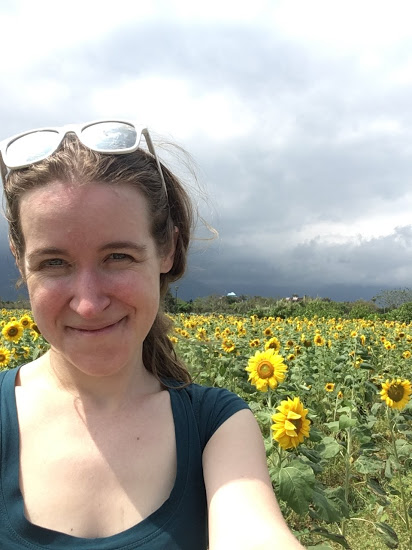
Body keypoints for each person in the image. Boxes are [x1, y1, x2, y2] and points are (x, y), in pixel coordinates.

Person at [0, 120, 304, 549]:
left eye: (118, 256)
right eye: (53, 263)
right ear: (19, 260)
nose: (88, 304)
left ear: (167, 250)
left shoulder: (215, 427)